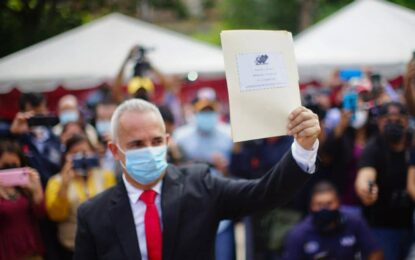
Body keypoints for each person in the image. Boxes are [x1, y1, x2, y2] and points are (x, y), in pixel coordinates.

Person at [73, 98, 320, 260]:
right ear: (115, 151)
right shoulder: (94, 215)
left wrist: (303, 148)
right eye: (137, 144)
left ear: (168, 142)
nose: (149, 149)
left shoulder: (200, 185)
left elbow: (264, 193)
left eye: (156, 141)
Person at [173, 88, 235, 260]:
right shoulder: (181, 136)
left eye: (210, 110)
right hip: (191, 206)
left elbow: (239, 170)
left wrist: (226, 168)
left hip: (221, 204)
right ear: (195, 111)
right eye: (202, 110)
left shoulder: (229, 133)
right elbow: (174, 168)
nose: (206, 114)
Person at [355, 101, 414, 260]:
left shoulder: (412, 143)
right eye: (388, 120)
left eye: (398, 120)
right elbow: (365, 175)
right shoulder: (373, 147)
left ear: (407, 121)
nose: (393, 124)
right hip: (382, 225)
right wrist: (366, 189)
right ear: (379, 122)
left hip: (411, 221)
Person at [45, 134, 116, 259]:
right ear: (66, 157)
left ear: (93, 153)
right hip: (71, 248)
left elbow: (114, 209)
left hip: (104, 246)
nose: (81, 157)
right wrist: (64, 185)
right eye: (75, 153)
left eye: (85, 152)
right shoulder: (55, 181)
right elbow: (56, 216)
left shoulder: (106, 176)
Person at [282, 181, 382, 260]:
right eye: (319, 204)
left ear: (338, 203)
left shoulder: (355, 222)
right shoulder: (298, 233)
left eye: (329, 203)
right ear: (311, 206)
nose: (324, 208)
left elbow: (374, 252)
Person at [0, 140, 45, 260]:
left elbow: (40, 214)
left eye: (14, 166)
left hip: (32, 250)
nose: (10, 170)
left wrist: (37, 190)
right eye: (5, 166)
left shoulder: (27, 187)